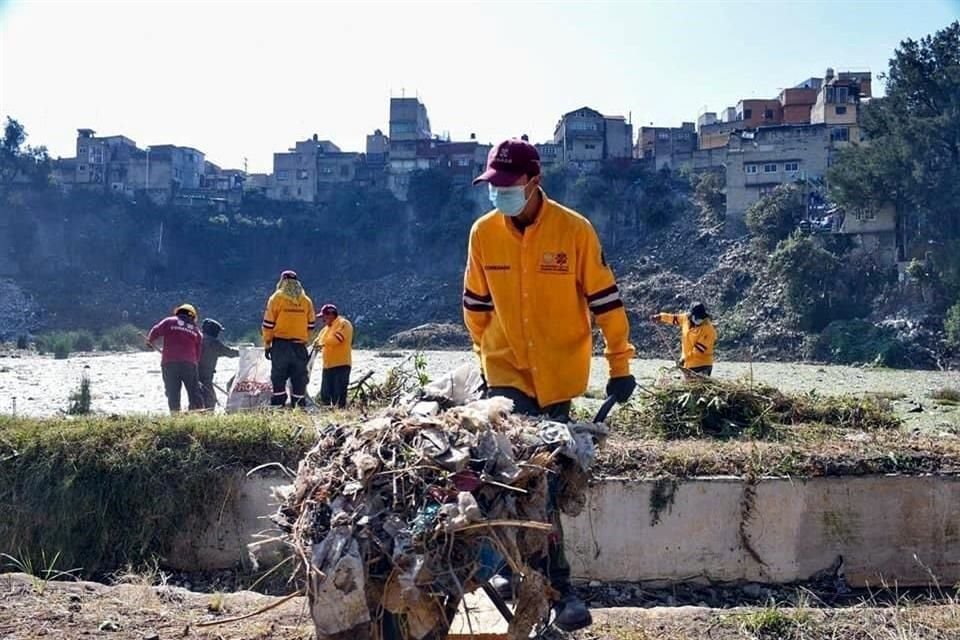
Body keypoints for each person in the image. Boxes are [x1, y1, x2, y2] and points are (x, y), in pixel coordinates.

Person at [465, 138, 637, 632]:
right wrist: (486, 356)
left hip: (558, 378)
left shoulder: (573, 230)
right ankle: (525, 578)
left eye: (507, 185)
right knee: (502, 475)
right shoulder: (483, 234)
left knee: (541, 486)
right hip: (505, 371)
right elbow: (476, 309)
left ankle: (553, 588)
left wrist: (620, 365)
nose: (498, 193)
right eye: (492, 186)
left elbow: (606, 304)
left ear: (534, 181)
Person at [262, 270, 316, 408]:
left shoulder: (276, 298)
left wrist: (267, 344)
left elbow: (268, 325)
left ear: (282, 281)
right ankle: (298, 408)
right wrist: (304, 340)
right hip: (299, 346)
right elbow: (311, 326)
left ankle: (278, 409)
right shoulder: (306, 301)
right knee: (299, 379)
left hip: (281, 345)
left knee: (278, 378)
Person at [146, 303, 203, 413]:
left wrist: (150, 341)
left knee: (173, 392)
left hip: (169, 363)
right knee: (194, 392)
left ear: (178, 312)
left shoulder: (169, 321)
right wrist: (195, 364)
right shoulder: (196, 331)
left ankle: (175, 414)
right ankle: (197, 415)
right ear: (192, 316)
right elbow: (198, 353)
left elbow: (155, 330)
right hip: (189, 364)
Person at [651, 302, 717, 376]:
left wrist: (684, 359)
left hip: (702, 365)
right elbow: (674, 318)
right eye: (697, 317)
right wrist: (660, 317)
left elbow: (698, 350)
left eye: (701, 317)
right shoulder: (686, 319)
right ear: (691, 315)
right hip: (688, 365)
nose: (699, 320)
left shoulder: (709, 330)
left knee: (697, 385)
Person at [313, 304, 354, 408]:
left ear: (331, 314)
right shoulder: (325, 330)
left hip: (341, 365)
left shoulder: (343, 324)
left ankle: (340, 414)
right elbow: (317, 342)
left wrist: (321, 343)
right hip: (327, 366)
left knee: (339, 394)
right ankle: (327, 414)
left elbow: (336, 340)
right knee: (325, 394)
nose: (323, 320)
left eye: (324, 317)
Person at [198, 318, 239, 409]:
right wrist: (244, 353)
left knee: (198, 398)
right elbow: (229, 352)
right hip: (205, 377)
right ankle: (207, 418)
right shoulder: (213, 343)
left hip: (193, 374)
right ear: (214, 331)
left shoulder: (198, 339)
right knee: (210, 400)